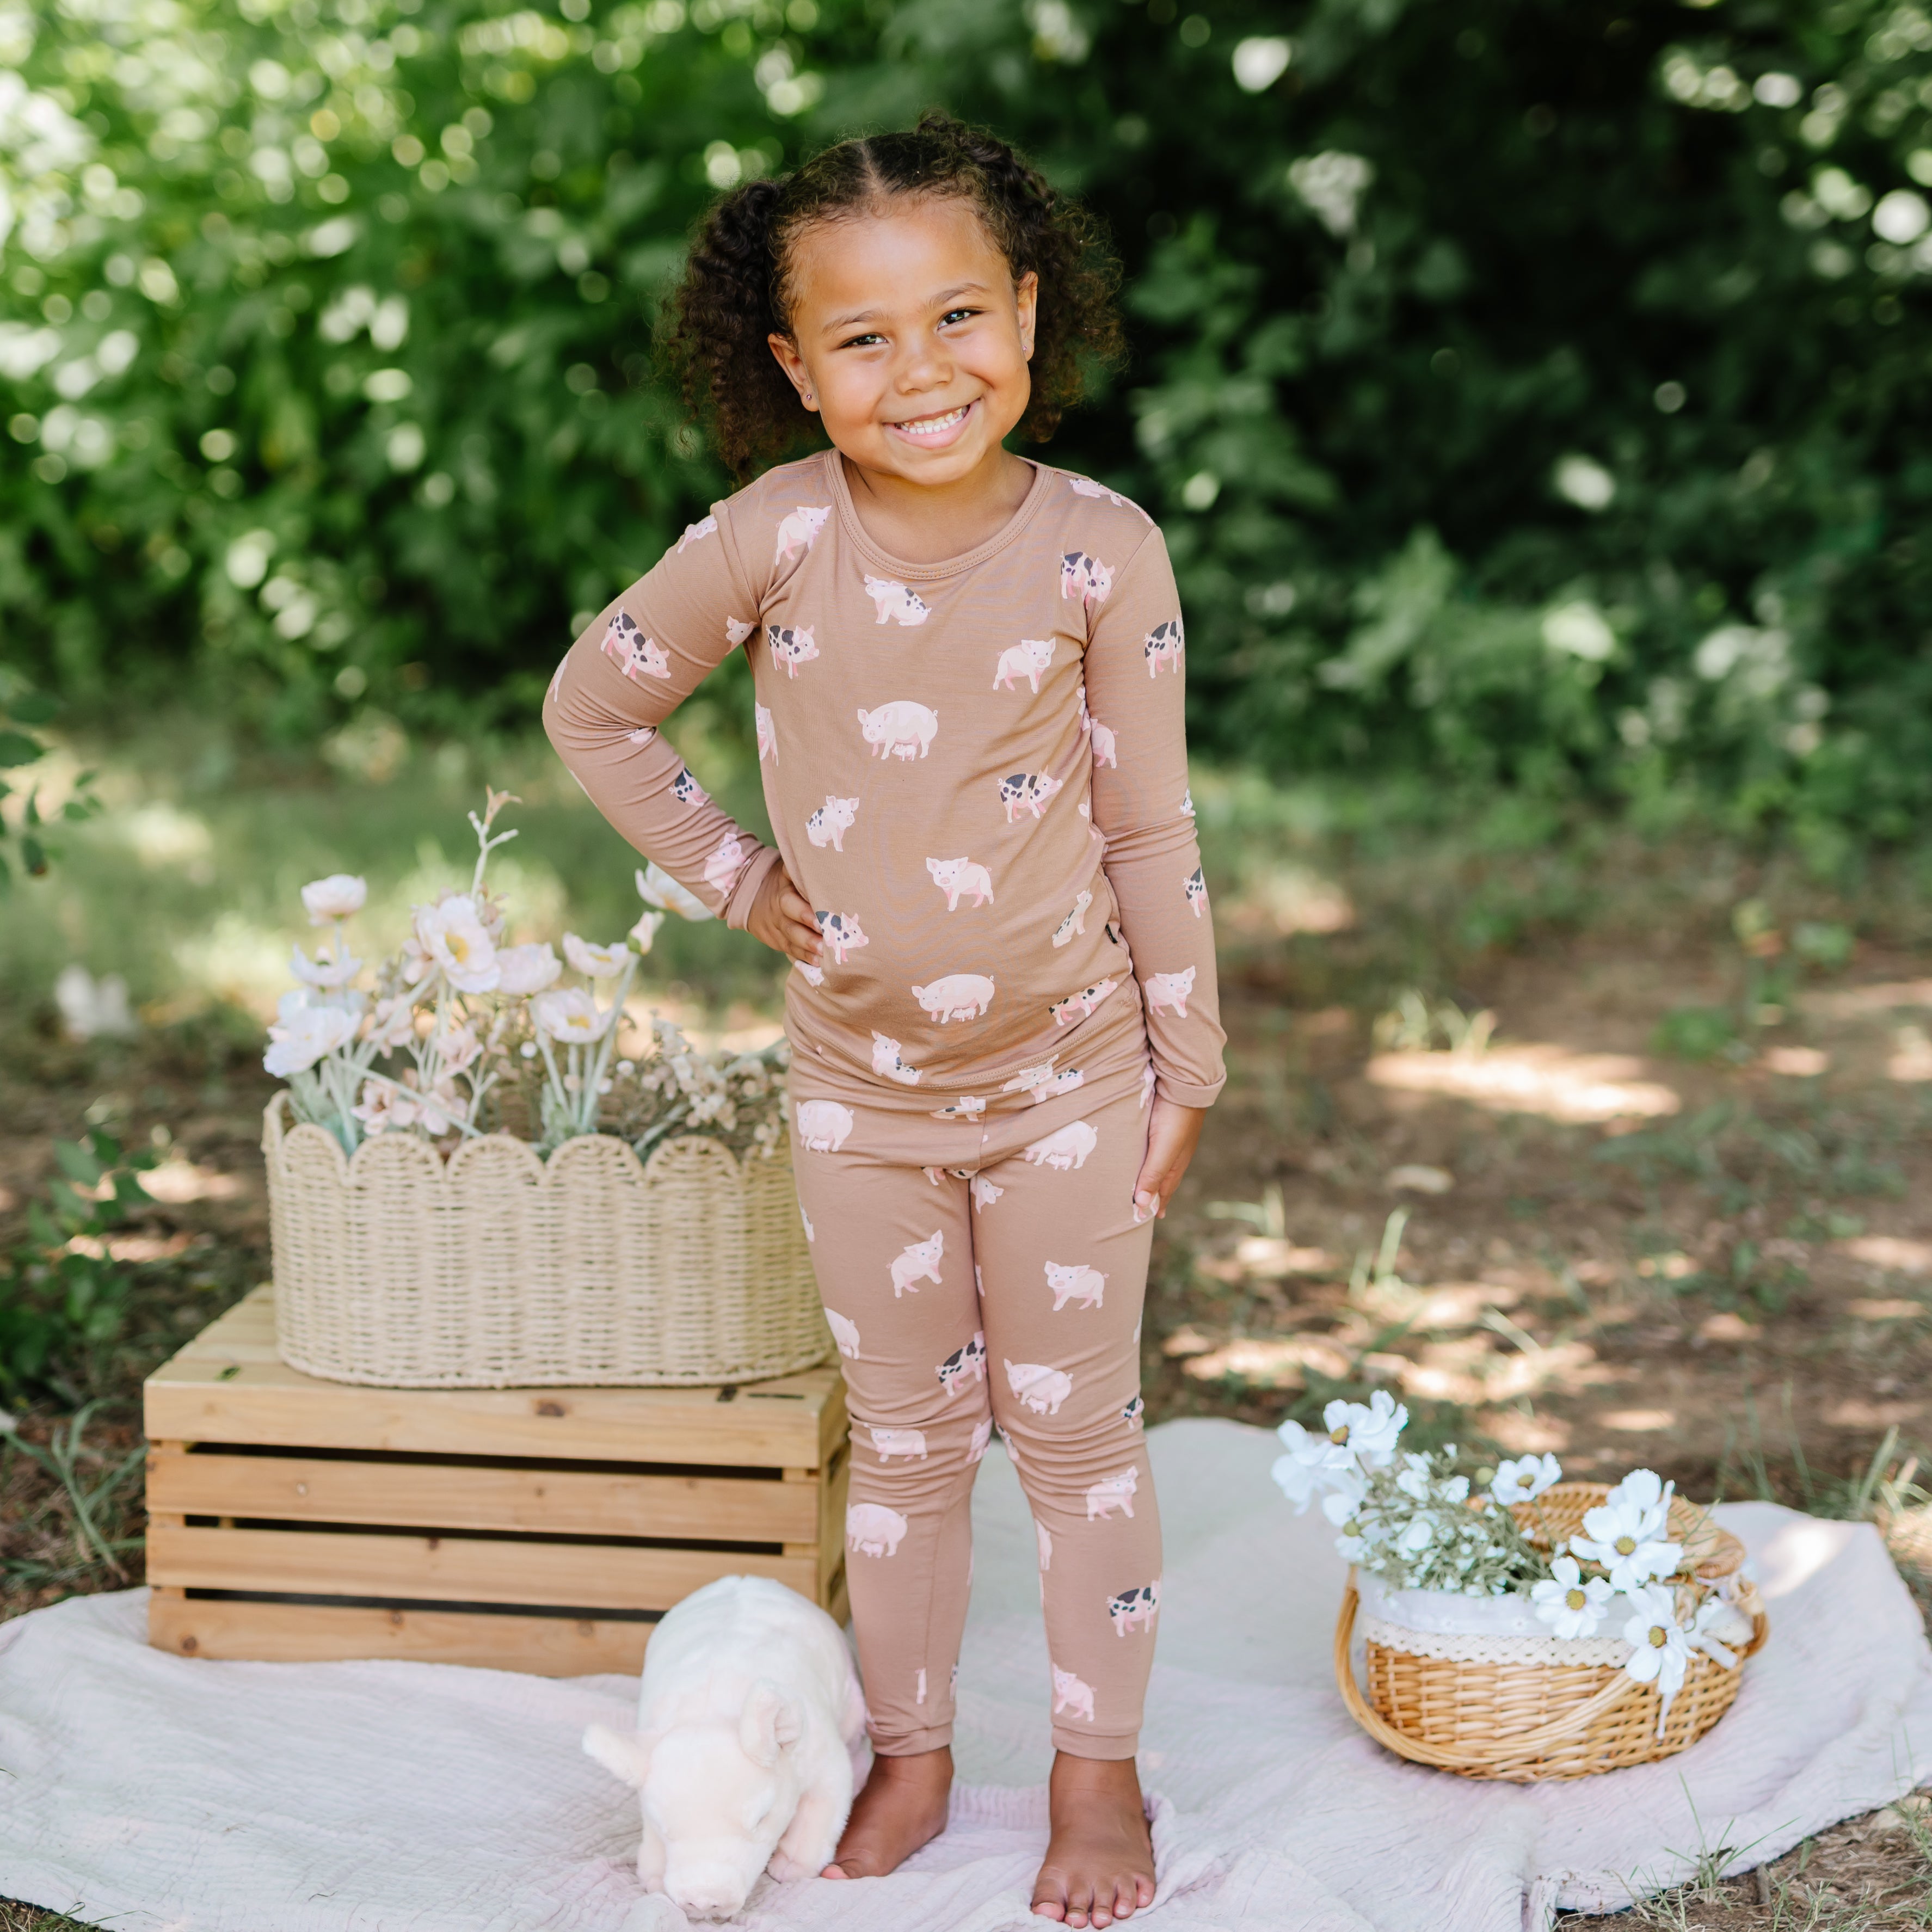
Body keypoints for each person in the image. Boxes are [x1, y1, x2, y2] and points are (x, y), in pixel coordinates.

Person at [544, 111, 1225, 1931]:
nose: (918, 371)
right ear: (791, 366)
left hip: (1073, 1075)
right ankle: (909, 1753)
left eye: (955, 319)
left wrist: (1188, 1058)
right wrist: (741, 880)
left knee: (1078, 1441)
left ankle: (1100, 1778)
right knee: (910, 1445)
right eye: (860, 338)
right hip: (862, 1098)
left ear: (1026, 310)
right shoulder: (772, 539)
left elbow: (1151, 824)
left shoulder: (1103, 553)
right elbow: (593, 713)